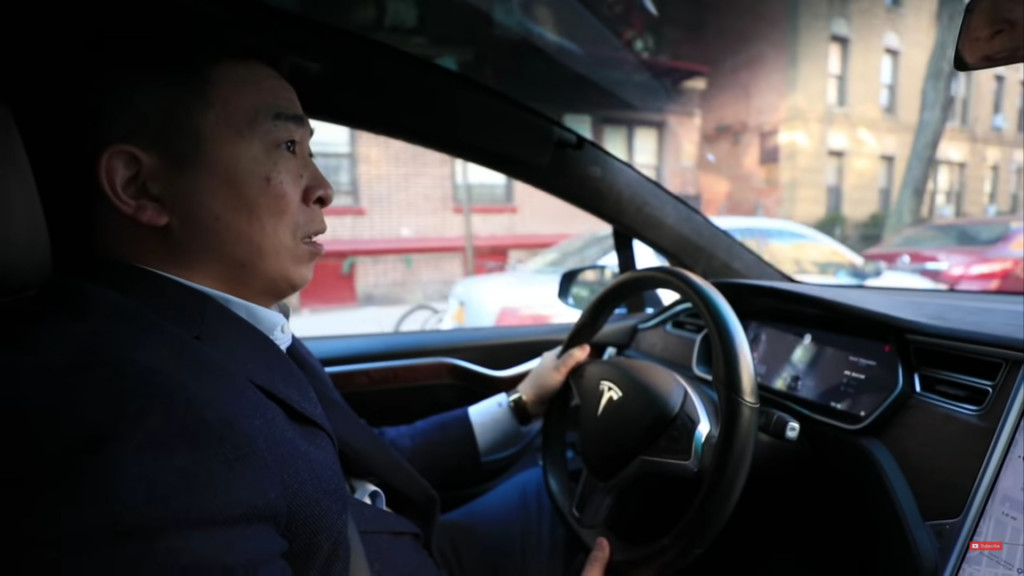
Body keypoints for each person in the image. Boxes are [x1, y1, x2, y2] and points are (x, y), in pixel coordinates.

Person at [6, 42, 611, 575]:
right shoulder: (131, 416)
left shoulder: (209, 328)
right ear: (140, 188)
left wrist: (521, 401)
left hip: (398, 544)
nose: (323, 185)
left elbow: (364, 457)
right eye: (287, 145)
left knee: (582, 480)